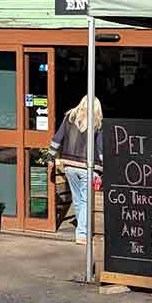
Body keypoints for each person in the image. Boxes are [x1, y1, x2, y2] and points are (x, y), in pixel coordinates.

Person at [49, 94, 103, 247]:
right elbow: (100, 148)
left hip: (69, 166)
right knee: (86, 200)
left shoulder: (69, 118)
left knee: (78, 200)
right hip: (88, 167)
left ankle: (82, 230)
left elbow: (57, 139)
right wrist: (105, 165)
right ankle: (82, 233)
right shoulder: (97, 122)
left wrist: (50, 157)